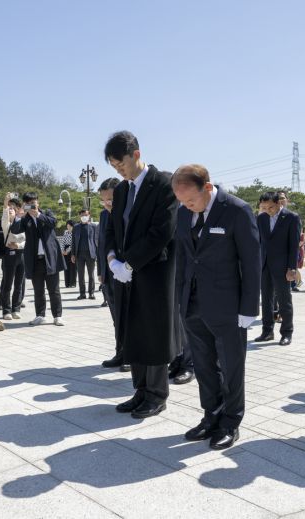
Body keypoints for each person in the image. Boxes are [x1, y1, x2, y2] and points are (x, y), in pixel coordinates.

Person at [172, 164, 260, 450]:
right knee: (204, 365)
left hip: (228, 305)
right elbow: (184, 257)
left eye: (191, 200)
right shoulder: (183, 213)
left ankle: (231, 421)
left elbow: (251, 261)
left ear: (207, 188)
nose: (187, 206)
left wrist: (249, 308)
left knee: (231, 366)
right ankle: (211, 415)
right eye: (182, 201)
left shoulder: (236, 210)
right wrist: (180, 298)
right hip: (192, 303)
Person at [103, 130, 179, 419]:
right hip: (125, 274)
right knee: (133, 331)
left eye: (121, 164)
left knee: (153, 332)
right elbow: (113, 228)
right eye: (114, 167)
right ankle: (140, 390)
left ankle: (157, 394)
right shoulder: (122, 191)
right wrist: (112, 259)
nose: (119, 171)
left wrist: (129, 264)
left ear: (136, 154)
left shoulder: (163, 184)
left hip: (154, 271)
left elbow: (162, 232)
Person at [10, 192, 65, 326]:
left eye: (33, 203)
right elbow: (15, 230)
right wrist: (18, 216)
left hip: (50, 258)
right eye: (28, 203)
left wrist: (38, 215)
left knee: (54, 289)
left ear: (37, 202)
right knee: (38, 290)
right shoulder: (25, 219)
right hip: (35, 260)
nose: (31, 205)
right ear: (25, 204)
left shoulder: (46, 213)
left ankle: (57, 316)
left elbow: (53, 223)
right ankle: (40, 315)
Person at [254, 191, 301, 345]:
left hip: (283, 267)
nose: (268, 210)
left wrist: (292, 267)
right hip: (264, 265)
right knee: (266, 300)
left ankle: (287, 333)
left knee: (284, 299)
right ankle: (267, 331)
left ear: (279, 203)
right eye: (264, 207)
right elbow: (258, 242)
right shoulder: (261, 218)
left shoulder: (291, 218)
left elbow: (294, 245)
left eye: (271, 207)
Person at [97, 177, 130, 371]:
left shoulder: (128, 214)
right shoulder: (103, 216)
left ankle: (131, 355)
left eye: (110, 199)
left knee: (128, 316)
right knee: (116, 316)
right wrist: (101, 271)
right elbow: (102, 245)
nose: (107, 203)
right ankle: (120, 352)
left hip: (126, 272)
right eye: (103, 200)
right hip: (109, 273)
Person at [0, 193, 26, 320]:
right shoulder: (6, 225)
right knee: (7, 284)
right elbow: (5, 215)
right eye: (9, 209)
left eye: (13, 209)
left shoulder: (22, 224)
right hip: (9, 256)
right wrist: (6, 202)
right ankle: (6, 310)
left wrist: (18, 245)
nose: (10, 210)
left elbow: (27, 240)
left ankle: (16, 309)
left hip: (21, 255)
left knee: (19, 284)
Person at [71, 209, 97, 300]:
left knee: (91, 274)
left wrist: (97, 254)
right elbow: (73, 241)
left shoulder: (93, 226)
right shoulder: (76, 227)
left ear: (89, 215)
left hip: (91, 253)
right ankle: (82, 294)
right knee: (80, 275)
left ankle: (91, 293)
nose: (84, 217)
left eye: (86, 215)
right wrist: (73, 254)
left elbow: (96, 240)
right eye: (82, 215)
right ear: (79, 216)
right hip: (79, 254)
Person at [60, 220, 76, 288]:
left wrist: (67, 251)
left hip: (72, 250)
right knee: (66, 267)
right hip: (65, 250)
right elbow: (63, 241)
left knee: (73, 267)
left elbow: (73, 243)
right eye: (67, 226)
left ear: (72, 226)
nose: (68, 227)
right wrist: (62, 250)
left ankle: (72, 283)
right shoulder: (65, 232)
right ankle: (67, 283)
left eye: (69, 226)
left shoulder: (74, 233)